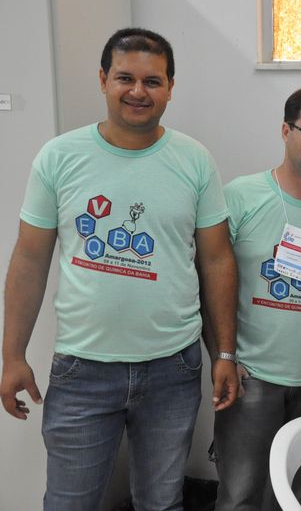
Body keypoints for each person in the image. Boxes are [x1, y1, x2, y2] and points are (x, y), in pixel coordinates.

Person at [0, 28, 238, 509]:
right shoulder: (59, 157)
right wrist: (12, 356)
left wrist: (225, 353)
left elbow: (216, 260)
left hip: (172, 367)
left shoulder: (195, 161)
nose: (138, 91)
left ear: (170, 87)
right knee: (69, 503)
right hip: (82, 368)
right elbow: (29, 259)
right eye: (125, 78)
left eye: (153, 81)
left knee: (161, 502)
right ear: (103, 80)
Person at [211, 86, 301, 510]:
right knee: (240, 496)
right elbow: (210, 283)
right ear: (286, 130)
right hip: (251, 379)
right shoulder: (240, 197)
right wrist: (223, 356)